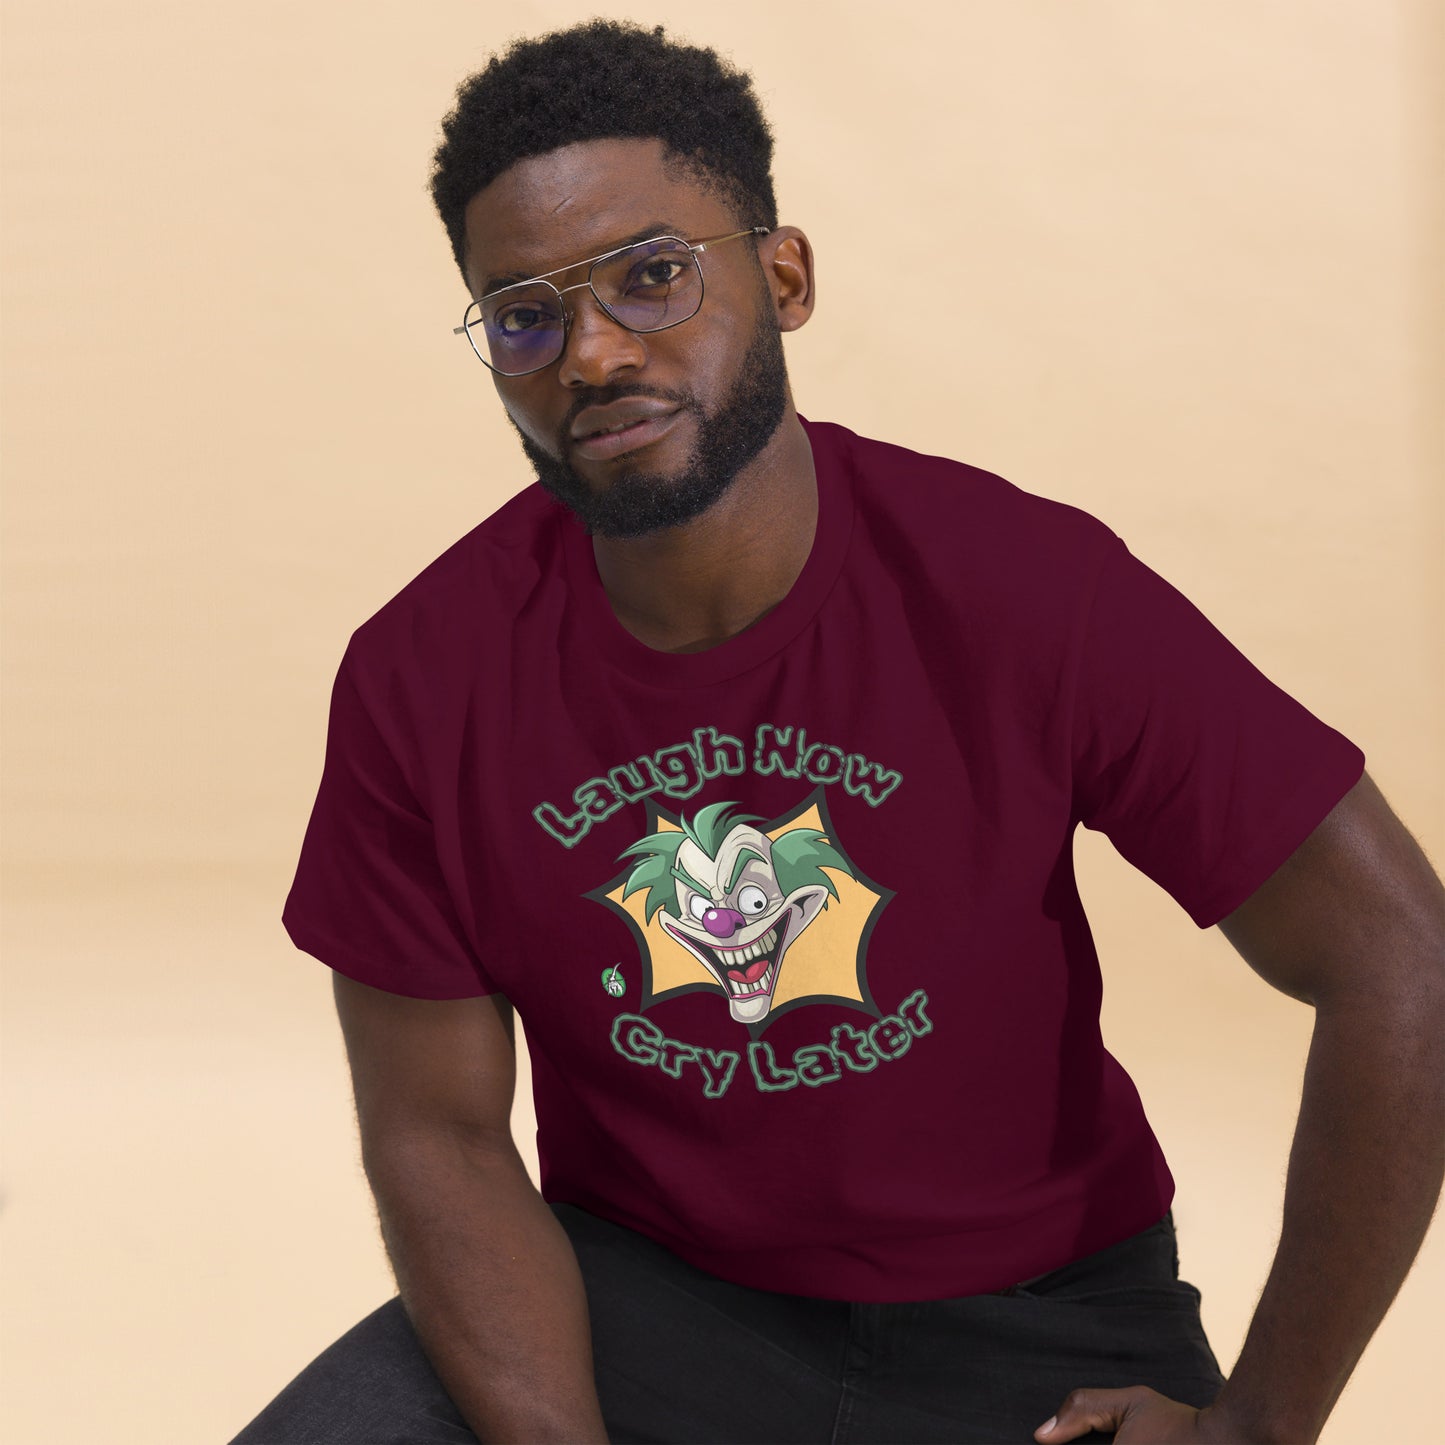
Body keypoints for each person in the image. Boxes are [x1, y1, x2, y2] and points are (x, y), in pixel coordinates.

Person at [230, 20, 1445, 1445]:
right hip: (642, 1302)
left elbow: (1398, 958)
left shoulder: (1017, 585)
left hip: (1035, 1323)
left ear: (783, 276)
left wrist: (1259, 1424)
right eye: (523, 316)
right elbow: (434, 1129)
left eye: (652, 275)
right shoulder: (418, 675)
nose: (594, 351)